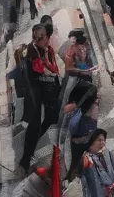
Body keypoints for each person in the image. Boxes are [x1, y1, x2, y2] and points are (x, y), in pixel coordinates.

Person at [20, 23, 74, 173]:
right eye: (44, 38)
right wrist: (48, 66)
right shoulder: (32, 54)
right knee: (35, 124)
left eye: (47, 37)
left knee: (49, 119)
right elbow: (43, 72)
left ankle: (34, 152)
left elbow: (54, 69)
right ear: (37, 39)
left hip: (45, 92)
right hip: (35, 93)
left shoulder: (45, 49)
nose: (47, 41)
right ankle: (27, 159)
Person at [80, 128, 114, 197]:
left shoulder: (107, 152)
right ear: (92, 141)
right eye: (99, 140)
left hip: (113, 192)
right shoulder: (87, 158)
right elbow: (85, 183)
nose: (102, 142)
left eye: (104, 140)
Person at [66, 92, 100, 181]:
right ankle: (71, 177)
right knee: (74, 161)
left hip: (81, 139)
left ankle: (72, 177)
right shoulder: (83, 117)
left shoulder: (85, 116)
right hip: (79, 140)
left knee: (75, 161)